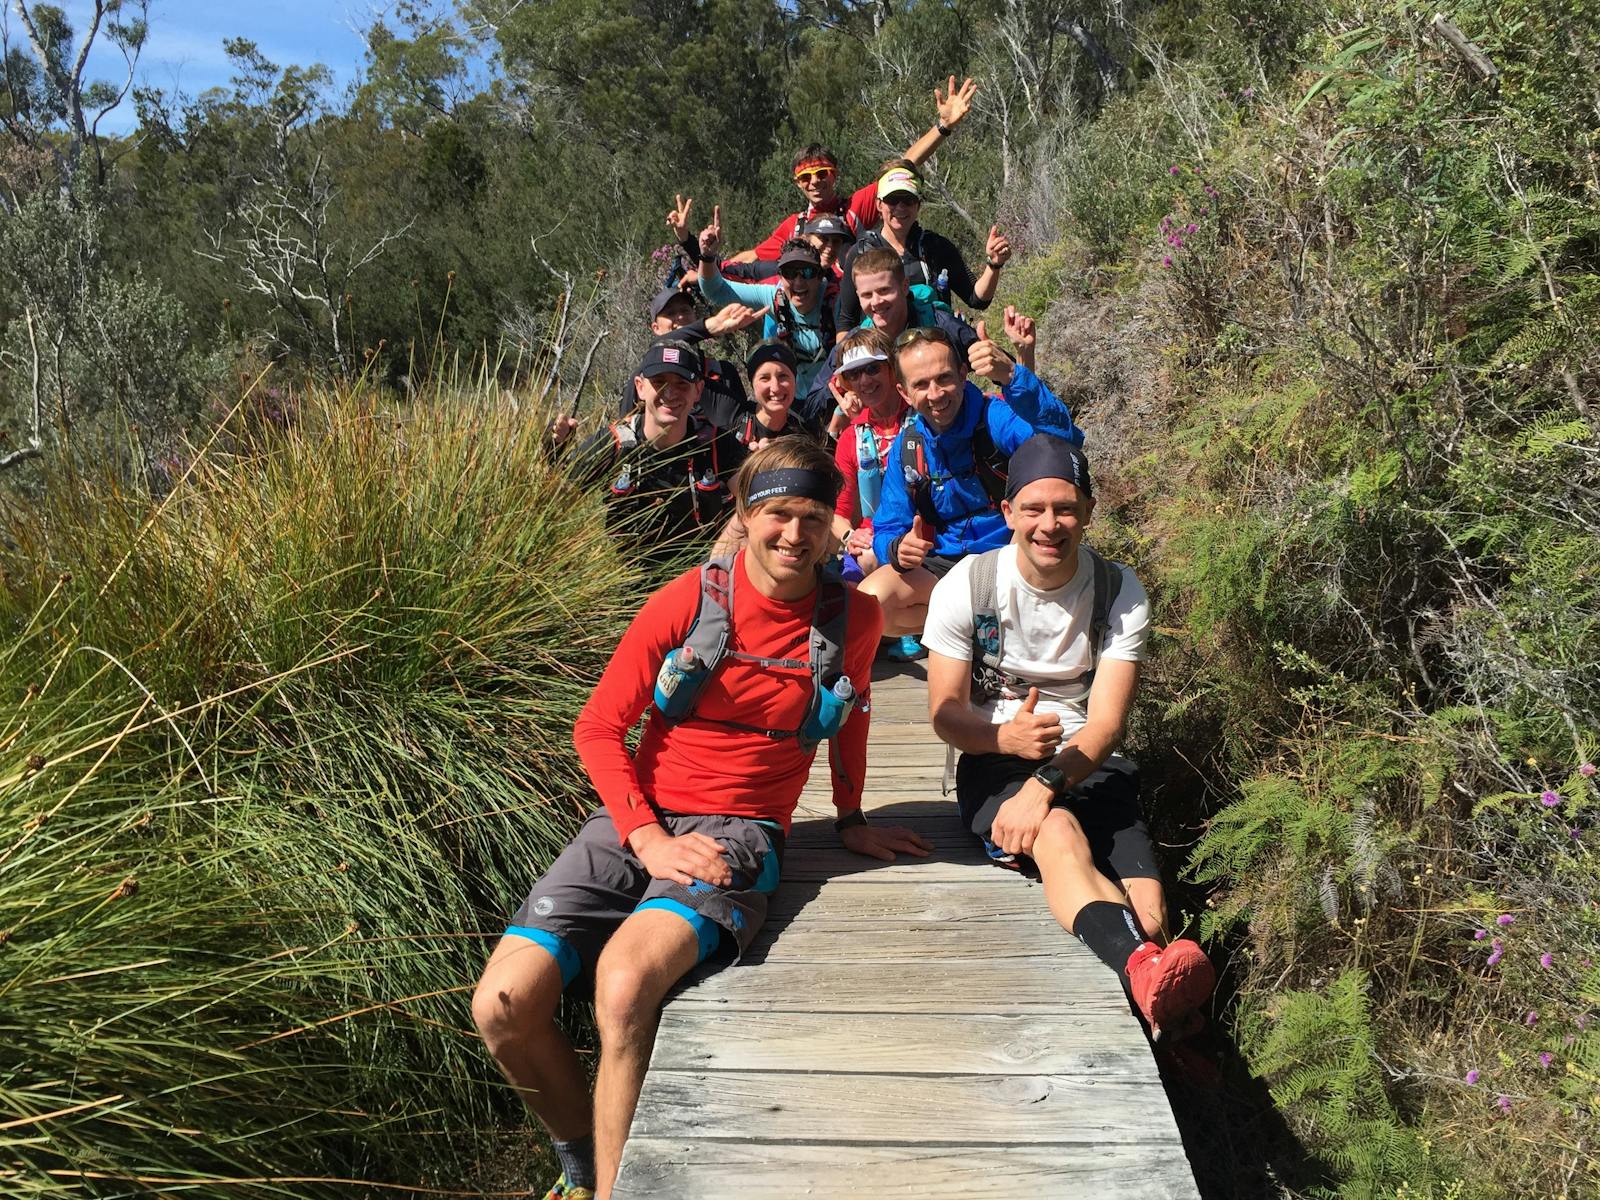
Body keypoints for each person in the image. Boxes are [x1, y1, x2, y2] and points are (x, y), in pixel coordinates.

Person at [471, 441, 932, 1200]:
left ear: (833, 526)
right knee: (503, 1006)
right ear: (746, 515)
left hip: (742, 828)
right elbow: (597, 726)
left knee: (622, 985)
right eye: (778, 512)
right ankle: (583, 1165)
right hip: (639, 818)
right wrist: (649, 837)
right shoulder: (686, 601)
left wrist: (850, 816)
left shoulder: (853, 616)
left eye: (813, 516)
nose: (794, 533)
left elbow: (851, 710)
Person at [922, 432, 1215, 1042]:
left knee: (1152, 914)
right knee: (1057, 832)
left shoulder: (1116, 591)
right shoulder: (968, 587)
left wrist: (1045, 782)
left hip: (1085, 760)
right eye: (1033, 508)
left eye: (1064, 508)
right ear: (1008, 513)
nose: (1049, 524)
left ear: (1087, 512)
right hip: (993, 758)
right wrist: (1006, 743)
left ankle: (1164, 1016)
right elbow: (946, 713)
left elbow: (1107, 722)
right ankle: (1144, 973)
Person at [859, 323, 1082, 638]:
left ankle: (994, 637)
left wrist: (1013, 377)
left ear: (964, 375)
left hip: (1013, 557)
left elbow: (1060, 444)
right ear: (904, 393)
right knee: (872, 604)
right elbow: (888, 526)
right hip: (948, 564)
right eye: (921, 384)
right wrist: (897, 549)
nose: (935, 395)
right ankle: (972, 635)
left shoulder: (993, 418)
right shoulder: (908, 448)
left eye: (944, 378)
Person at [728, 76, 980, 264]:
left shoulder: (854, 209)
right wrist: (706, 269)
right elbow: (753, 256)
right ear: (797, 183)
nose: (814, 181)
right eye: (805, 177)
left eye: (822, 173)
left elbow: (905, 165)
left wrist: (943, 127)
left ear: (834, 175)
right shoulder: (793, 227)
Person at [568, 340, 749, 556]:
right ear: (640, 387)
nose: (670, 393)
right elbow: (559, 499)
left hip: (701, 574)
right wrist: (553, 449)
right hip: (628, 577)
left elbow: (758, 503)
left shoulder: (715, 442)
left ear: (698, 390)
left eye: (682, 383)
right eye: (659, 382)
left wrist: (722, 551)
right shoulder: (615, 441)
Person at [803, 247, 982, 419]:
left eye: (884, 290)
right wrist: (846, 386)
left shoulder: (939, 324)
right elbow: (811, 406)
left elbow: (992, 364)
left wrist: (993, 361)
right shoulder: (856, 345)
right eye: (866, 295)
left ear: (904, 287)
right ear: (857, 296)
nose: (876, 302)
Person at [834, 163, 1012, 327]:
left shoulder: (936, 247)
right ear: (879, 205)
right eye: (893, 200)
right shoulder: (861, 253)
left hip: (934, 351)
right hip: (882, 353)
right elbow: (846, 319)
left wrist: (994, 264)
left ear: (918, 205)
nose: (900, 207)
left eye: (908, 200)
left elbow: (977, 299)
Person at [695, 206, 835, 398]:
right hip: (792, 400)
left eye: (808, 272)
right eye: (790, 273)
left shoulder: (836, 300)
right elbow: (716, 290)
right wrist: (707, 256)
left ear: (820, 276)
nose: (798, 282)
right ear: (780, 276)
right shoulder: (775, 296)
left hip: (834, 400)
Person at [738, 340, 820, 448]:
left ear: (795, 380)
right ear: (752, 383)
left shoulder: (809, 433)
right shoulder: (734, 421)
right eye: (764, 378)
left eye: (783, 376)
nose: (775, 388)